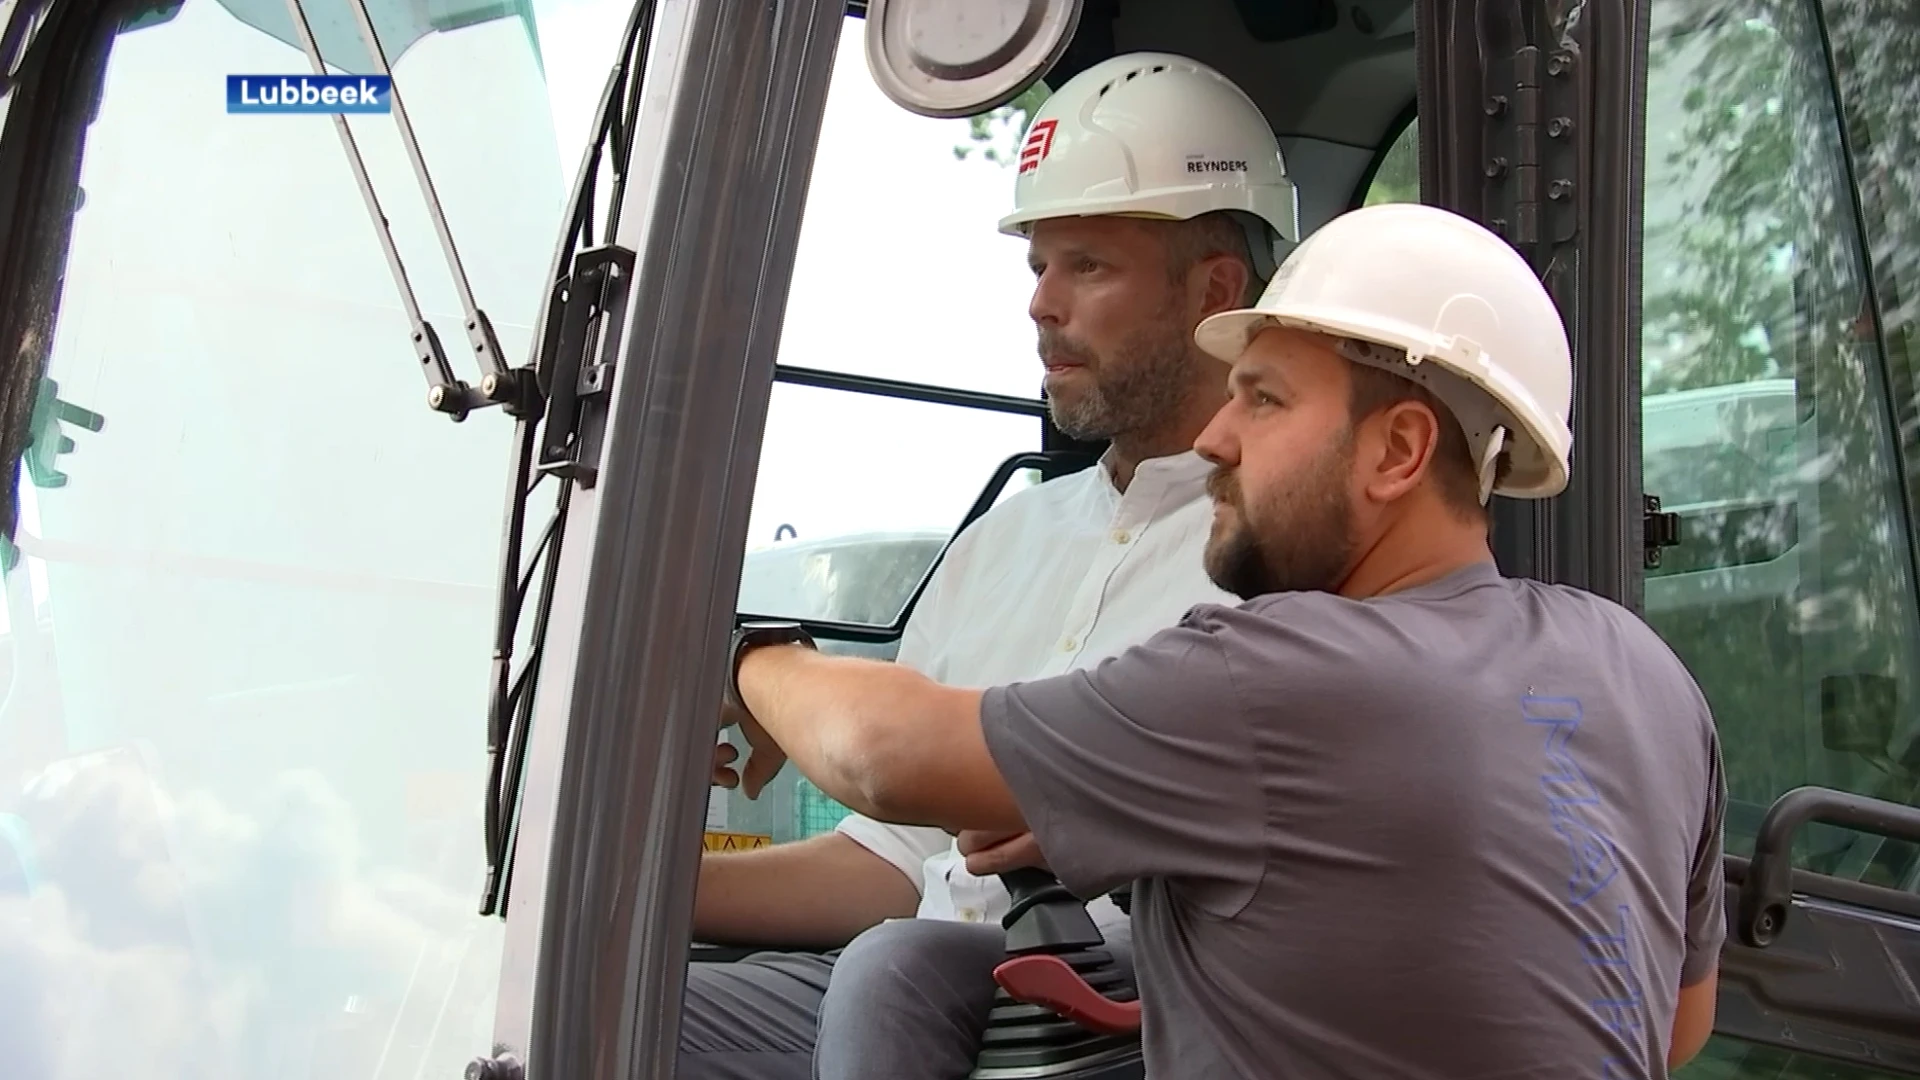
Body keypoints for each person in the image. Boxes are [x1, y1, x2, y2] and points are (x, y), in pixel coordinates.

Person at [719, 202, 1729, 1078]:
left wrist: (751, 658)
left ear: (1399, 449)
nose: (1215, 437)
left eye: (1265, 399)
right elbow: (1674, 1024)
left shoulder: (1282, 672)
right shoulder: (1645, 675)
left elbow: (884, 757)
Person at [678, 52, 1302, 1080]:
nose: (1040, 305)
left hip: (1115, 1014)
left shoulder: (1283, 556)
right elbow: (891, 862)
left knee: (895, 971)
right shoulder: (1003, 541)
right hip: (908, 986)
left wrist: (754, 666)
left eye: (1087, 267)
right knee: (602, 1005)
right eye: (1035, 267)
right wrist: (621, 887)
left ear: (1215, 289)